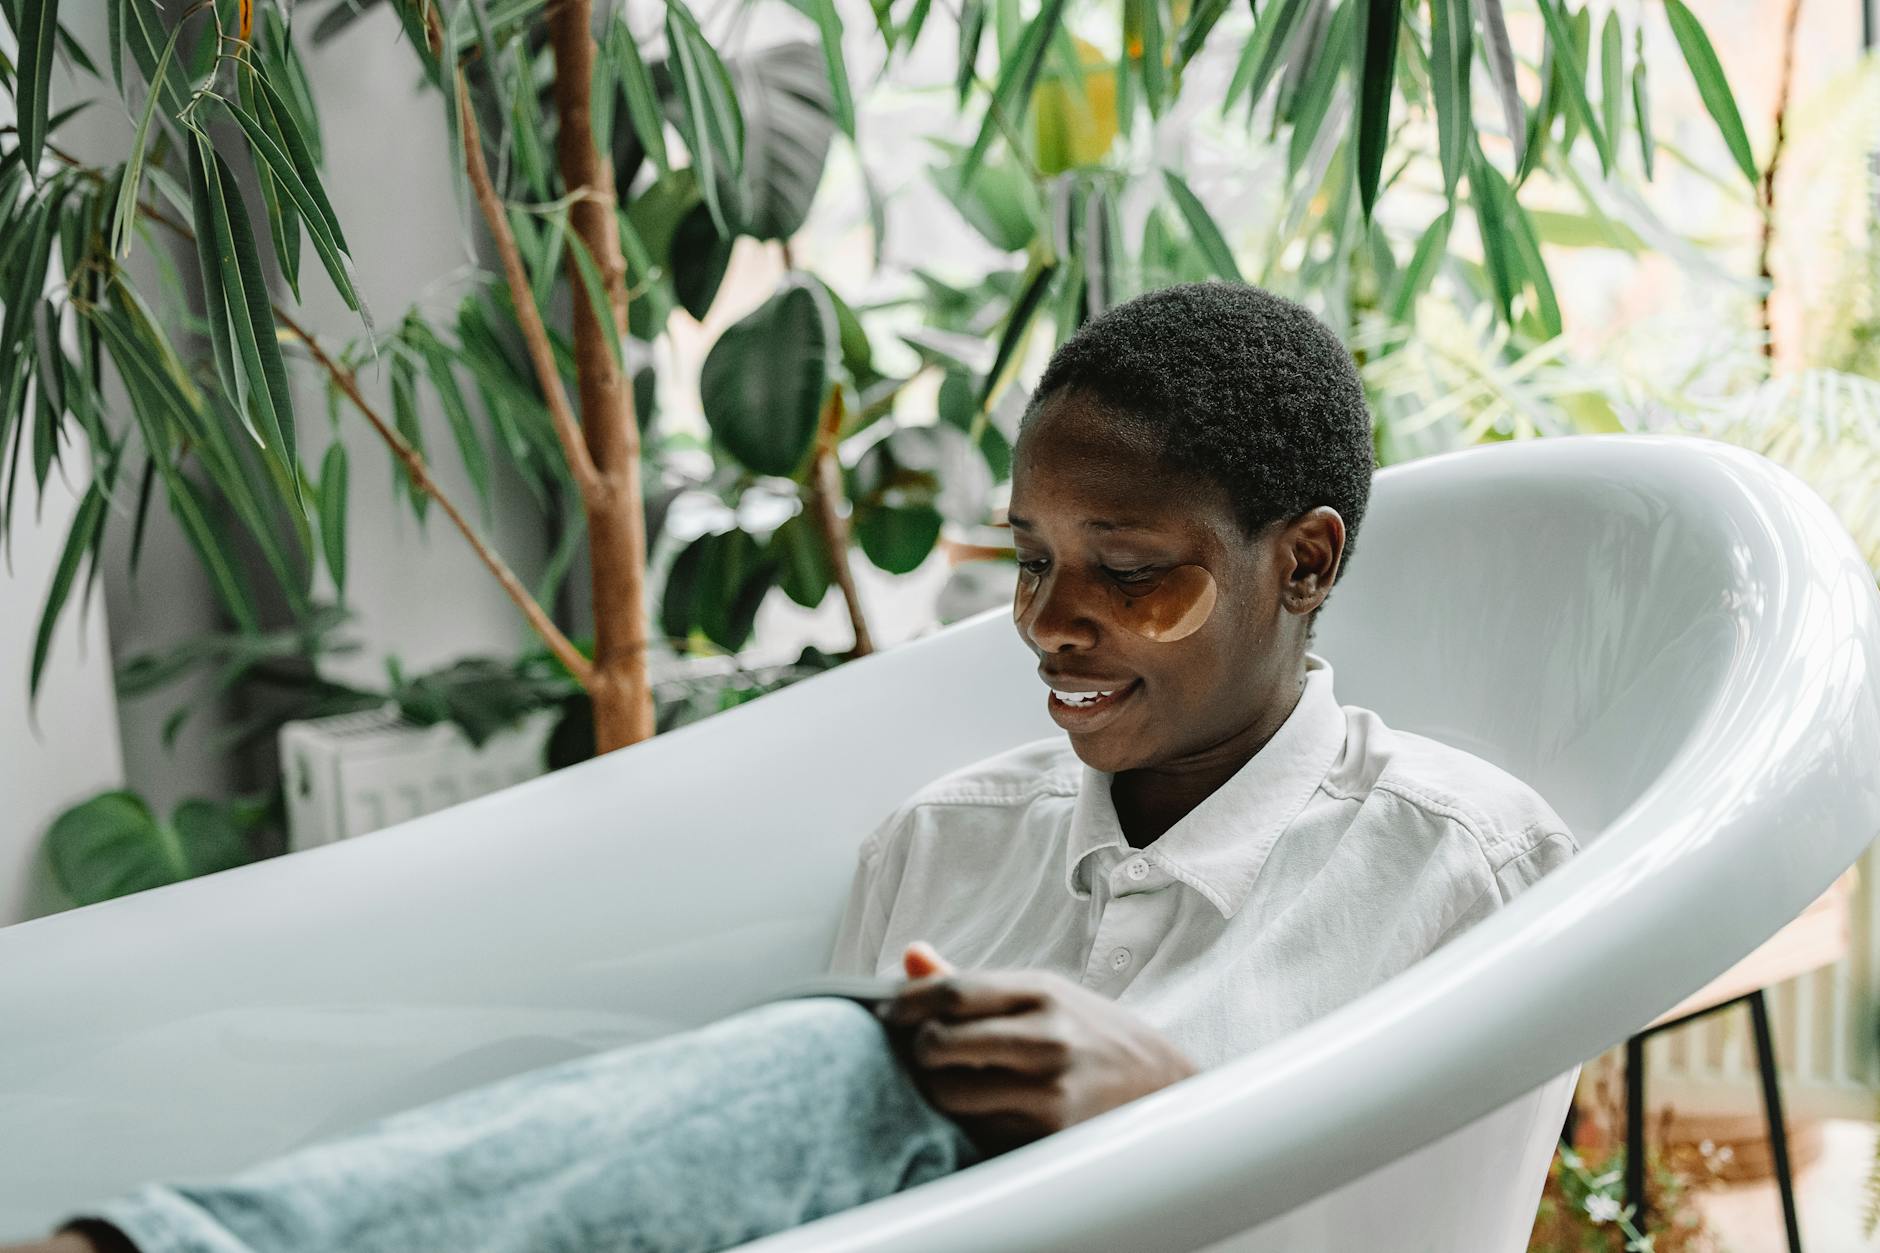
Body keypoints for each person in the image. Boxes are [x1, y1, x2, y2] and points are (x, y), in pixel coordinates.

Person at [8, 281, 1579, 1253]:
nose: (1053, 626)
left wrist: (1170, 1111)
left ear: (1305, 563)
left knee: (853, 1073)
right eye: (1029, 561)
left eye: (1132, 571)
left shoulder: (1462, 863)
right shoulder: (944, 845)